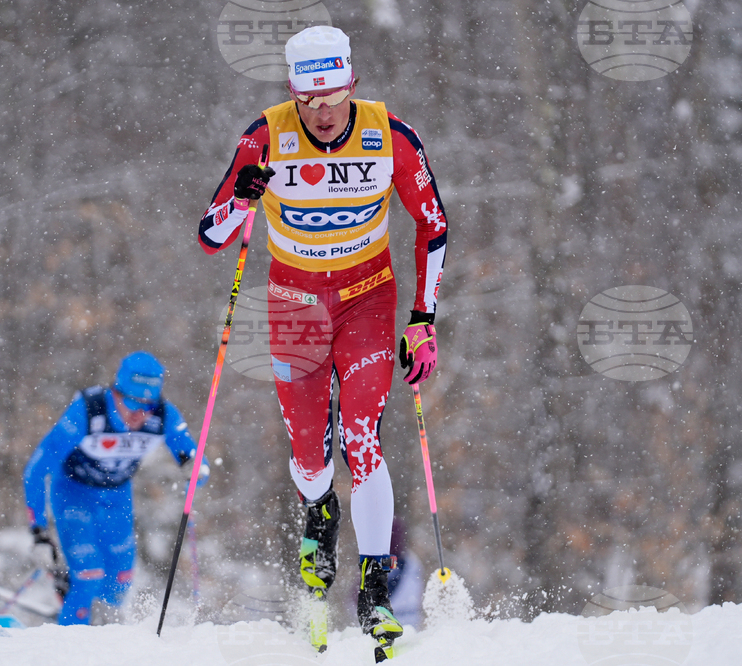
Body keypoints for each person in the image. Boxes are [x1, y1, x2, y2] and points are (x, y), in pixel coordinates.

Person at [198, 25, 447, 654]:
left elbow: (433, 224)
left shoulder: (390, 135)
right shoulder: (264, 137)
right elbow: (210, 236)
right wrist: (240, 202)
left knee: (362, 437)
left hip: (368, 297)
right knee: (311, 454)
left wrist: (423, 318)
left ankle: (374, 588)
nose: (324, 112)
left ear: (352, 85)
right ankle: (319, 510)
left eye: (335, 97)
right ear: (293, 94)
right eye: (309, 100)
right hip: (296, 303)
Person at [22, 351, 208, 625]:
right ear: (116, 392)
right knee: (89, 573)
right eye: (131, 404)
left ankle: (100, 630)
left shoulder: (163, 415)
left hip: (117, 496)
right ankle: (70, 633)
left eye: (147, 406)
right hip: (74, 492)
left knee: (120, 578)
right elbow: (36, 470)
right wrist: (39, 533)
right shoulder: (88, 410)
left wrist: (195, 468)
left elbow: (193, 457)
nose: (139, 414)